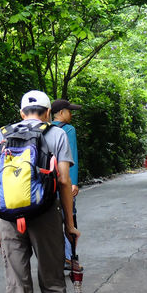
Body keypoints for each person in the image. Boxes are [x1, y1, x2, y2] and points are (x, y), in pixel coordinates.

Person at [0, 90, 81, 293]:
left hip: (8, 217)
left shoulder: (3, 134)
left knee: (16, 285)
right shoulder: (57, 134)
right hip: (45, 214)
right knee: (53, 284)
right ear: (48, 113)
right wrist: (69, 225)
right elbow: (64, 181)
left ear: (21, 113)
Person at [51, 98, 82, 271]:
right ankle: (71, 258)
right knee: (70, 218)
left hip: (48, 182)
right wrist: (74, 183)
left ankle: (56, 258)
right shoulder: (68, 130)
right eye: (69, 111)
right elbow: (71, 158)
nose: (71, 115)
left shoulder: (44, 129)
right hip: (64, 181)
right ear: (61, 113)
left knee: (53, 220)